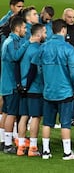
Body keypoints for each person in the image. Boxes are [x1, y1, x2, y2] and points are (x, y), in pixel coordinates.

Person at [36, 19, 74, 160]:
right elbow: (73, 71)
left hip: (49, 91)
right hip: (65, 91)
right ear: (63, 30)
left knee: (47, 123)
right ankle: (67, 152)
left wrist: (45, 84)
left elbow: (39, 69)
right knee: (65, 123)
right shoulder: (68, 48)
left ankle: (45, 151)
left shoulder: (43, 47)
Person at [1, 16, 31, 154]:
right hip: (11, 84)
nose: (26, 30)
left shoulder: (10, 40)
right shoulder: (11, 41)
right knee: (11, 114)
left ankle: (3, 141)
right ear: (18, 28)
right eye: (24, 27)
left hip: (7, 83)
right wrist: (27, 44)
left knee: (7, 113)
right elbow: (15, 56)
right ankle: (7, 145)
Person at [16, 23, 46, 156]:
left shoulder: (26, 48)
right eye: (44, 32)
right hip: (34, 88)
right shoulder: (38, 50)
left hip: (23, 87)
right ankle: (33, 148)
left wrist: (21, 84)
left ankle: (21, 147)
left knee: (23, 116)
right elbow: (36, 72)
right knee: (35, 117)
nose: (46, 34)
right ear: (39, 34)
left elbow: (17, 64)